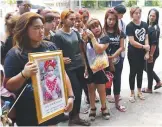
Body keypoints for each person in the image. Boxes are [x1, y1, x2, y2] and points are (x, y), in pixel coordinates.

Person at [4, 12, 74, 126]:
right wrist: (23, 74)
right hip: (28, 111)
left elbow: (62, 73)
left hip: (50, 107)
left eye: (42, 27)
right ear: (24, 30)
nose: (41, 31)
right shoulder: (14, 54)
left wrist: (70, 96)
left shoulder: (51, 47)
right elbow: (8, 86)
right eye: (36, 28)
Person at [53, 9, 90, 126]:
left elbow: (80, 49)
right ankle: (72, 117)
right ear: (63, 20)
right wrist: (61, 59)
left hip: (79, 64)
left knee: (80, 91)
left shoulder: (75, 33)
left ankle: (75, 116)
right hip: (69, 68)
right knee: (75, 92)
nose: (74, 22)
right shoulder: (58, 35)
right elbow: (53, 53)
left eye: (75, 19)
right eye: (71, 19)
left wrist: (85, 65)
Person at [82, 18, 110, 121]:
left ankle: (104, 107)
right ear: (89, 30)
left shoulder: (105, 38)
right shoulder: (86, 39)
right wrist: (85, 67)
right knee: (91, 89)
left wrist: (92, 37)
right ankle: (92, 108)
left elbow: (98, 49)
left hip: (101, 68)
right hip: (90, 68)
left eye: (97, 25)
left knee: (102, 90)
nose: (96, 28)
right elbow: (83, 53)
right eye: (93, 27)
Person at [103, 9, 126, 112]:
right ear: (106, 19)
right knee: (104, 83)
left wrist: (113, 56)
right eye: (109, 19)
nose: (111, 21)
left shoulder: (120, 33)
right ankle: (104, 106)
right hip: (104, 62)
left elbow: (122, 47)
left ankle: (117, 104)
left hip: (117, 61)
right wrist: (109, 58)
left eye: (113, 19)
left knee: (117, 81)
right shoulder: (102, 32)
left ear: (117, 21)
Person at [126, 6, 150, 103]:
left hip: (142, 53)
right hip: (133, 53)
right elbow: (132, 41)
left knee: (140, 72)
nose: (138, 15)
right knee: (133, 72)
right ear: (132, 14)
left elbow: (146, 38)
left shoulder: (145, 24)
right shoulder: (129, 26)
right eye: (136, 13)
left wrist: (147, 51)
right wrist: (144, 47)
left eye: (139, 13)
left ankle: (139, 91)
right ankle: (132, 92)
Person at [142, 8, 162, 93]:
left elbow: (154, 44)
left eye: (154, 16)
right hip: (151, 52)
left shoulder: (154, 28)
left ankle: (149, 88)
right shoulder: (150, 25)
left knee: (148, 69)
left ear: (156, 17)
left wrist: (151, 56)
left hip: (152, 52)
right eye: (150, 15)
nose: (151, 17)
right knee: (146, 68)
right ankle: (158, 81)